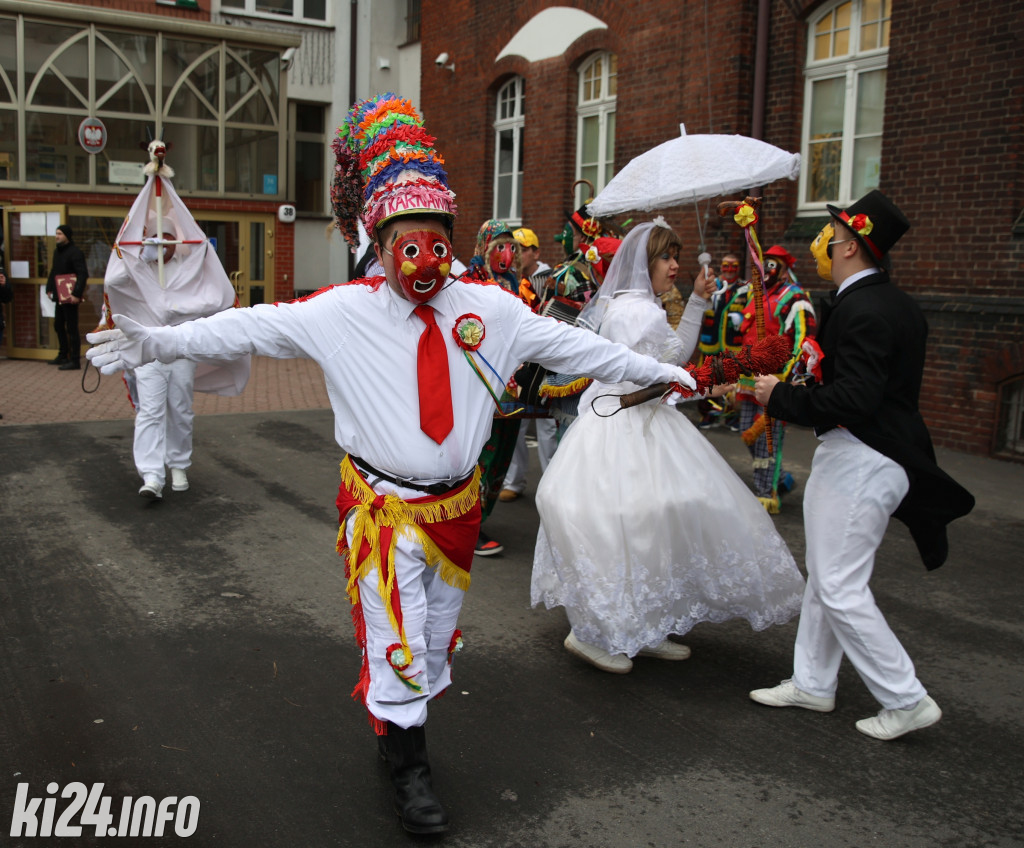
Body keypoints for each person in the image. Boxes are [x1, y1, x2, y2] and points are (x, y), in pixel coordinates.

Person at [87, 94, 698, 835]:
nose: (423, 259)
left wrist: (651, 369)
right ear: (378, 246)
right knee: (400, 641)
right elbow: (245, 324)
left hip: (458, 510)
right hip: (383, 513)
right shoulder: (342, 311)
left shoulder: (489, 310)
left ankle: (393, 730)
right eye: (406, 243)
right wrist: (153, 344)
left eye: (435, 242)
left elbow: (569, 346)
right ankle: (410, 768)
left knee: (435, 640)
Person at [531, 220, 807, 674]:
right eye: (666, 257)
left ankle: (645, 625)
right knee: (631, 520)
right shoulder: (638, 311)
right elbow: (658, 377)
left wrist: (698, 299)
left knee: (658, 521)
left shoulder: (634, 304)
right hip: (623, 426)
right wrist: (712, 385)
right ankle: (591, 630)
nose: (674, 265)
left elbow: (671, 357)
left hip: (641, 422)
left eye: (676, 256)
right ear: (643, 262)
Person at [748, 190, 975, 740]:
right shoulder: (885, 303)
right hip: (865, 453)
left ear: (849, 245)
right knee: (827, 577)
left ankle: (905, 698)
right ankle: (812, 681)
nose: (825, 242)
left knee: (839, 583)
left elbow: (855, 399)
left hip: (865, 455)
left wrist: (779, 397)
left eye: (833, 234)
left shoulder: (867, 308)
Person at [734, 245, 815, 512]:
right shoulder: (754, 295)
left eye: (771, 265)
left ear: (782, 268)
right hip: (748, 380)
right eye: (762, 265)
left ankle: (765, 493)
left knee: (767, 438)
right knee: (748, 432)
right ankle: (780, 479)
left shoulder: (795, 297)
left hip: (774, 381)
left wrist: (791, 375)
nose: (766, 270)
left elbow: (804, 338)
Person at [131, 229, 197, 499]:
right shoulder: (137, 270)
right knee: (150, 411)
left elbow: (206, 301)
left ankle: (178, 464)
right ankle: (151, 474)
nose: (162, 246)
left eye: (168, 240)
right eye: (157, 241)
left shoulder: (187, 272)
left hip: (180, 348)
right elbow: (116, 285)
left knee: (180, 408)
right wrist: (139, 260)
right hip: (148, 350)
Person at [499, 226, 557, 504]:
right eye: (513, 248)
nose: (516, 253)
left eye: (522, 248)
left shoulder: (550, 278)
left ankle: (552, 485)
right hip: (518, 360)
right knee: (516, 423)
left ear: (536, 251)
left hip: (544, 360)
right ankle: (514, 480)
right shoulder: (510, 277)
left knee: (547, 426)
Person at [696, 253, 748, 430]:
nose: (730, 270)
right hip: (711, 340)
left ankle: (731, 417)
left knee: (731, 381)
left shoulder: (744, 288)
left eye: (734, 266)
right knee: (707, 378)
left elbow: (751, 311)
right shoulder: (713, 285)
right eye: (726, 266)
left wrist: (741, 317)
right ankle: (708, 415)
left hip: (732, 342)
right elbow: (698, 303)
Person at [45, 224, 89, 370]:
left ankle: (75, 360)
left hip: (70, 296)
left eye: (60, 234)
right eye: (56, 233)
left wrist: (76, 293)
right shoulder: (57, 252)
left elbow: (83, 274)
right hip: (59, 295)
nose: (57, 236)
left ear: (67, 236)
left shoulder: (75, 253)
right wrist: (49, 288)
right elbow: (54, 271)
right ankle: (63, 354)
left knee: (71, 328)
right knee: (58, 325)